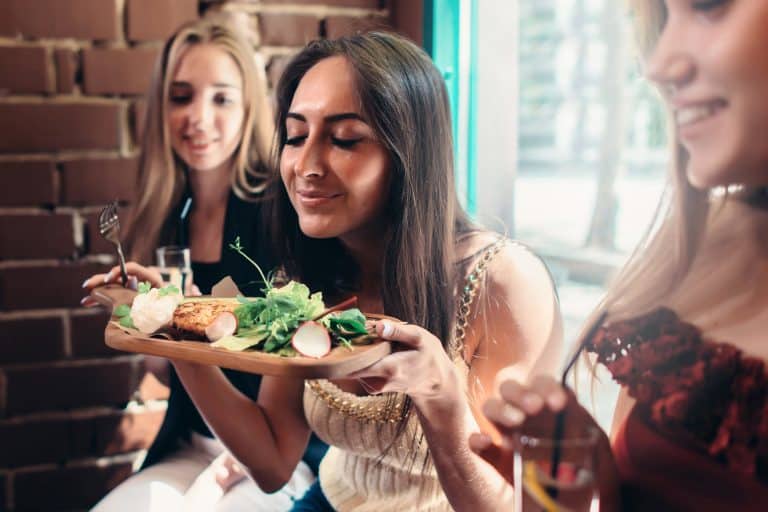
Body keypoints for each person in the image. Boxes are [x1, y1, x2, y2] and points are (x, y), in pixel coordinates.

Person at [168, 31, 563, 512]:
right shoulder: (306, 278)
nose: (306, 165)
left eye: (344, 139)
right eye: (295, 136)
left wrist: (441, 399)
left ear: (408, 154)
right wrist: (176, 336)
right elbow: (272, 463)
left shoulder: (502, 283)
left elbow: (526, 506)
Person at [471, 1, 768, 510]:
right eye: (664, 18)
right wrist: (564, 489)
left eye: (708, 5)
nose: (657, 66)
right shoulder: (694, 252)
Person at [82, 17, 324, 511]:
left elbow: (268, 386)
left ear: (249, 106)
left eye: (221, 98)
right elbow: (170, 373)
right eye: (181, 96)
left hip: (275, 456)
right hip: (190, 444)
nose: (198, 117)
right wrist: (143, 323)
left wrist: (181, 324)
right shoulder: (168, 215)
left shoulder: (283, 213)